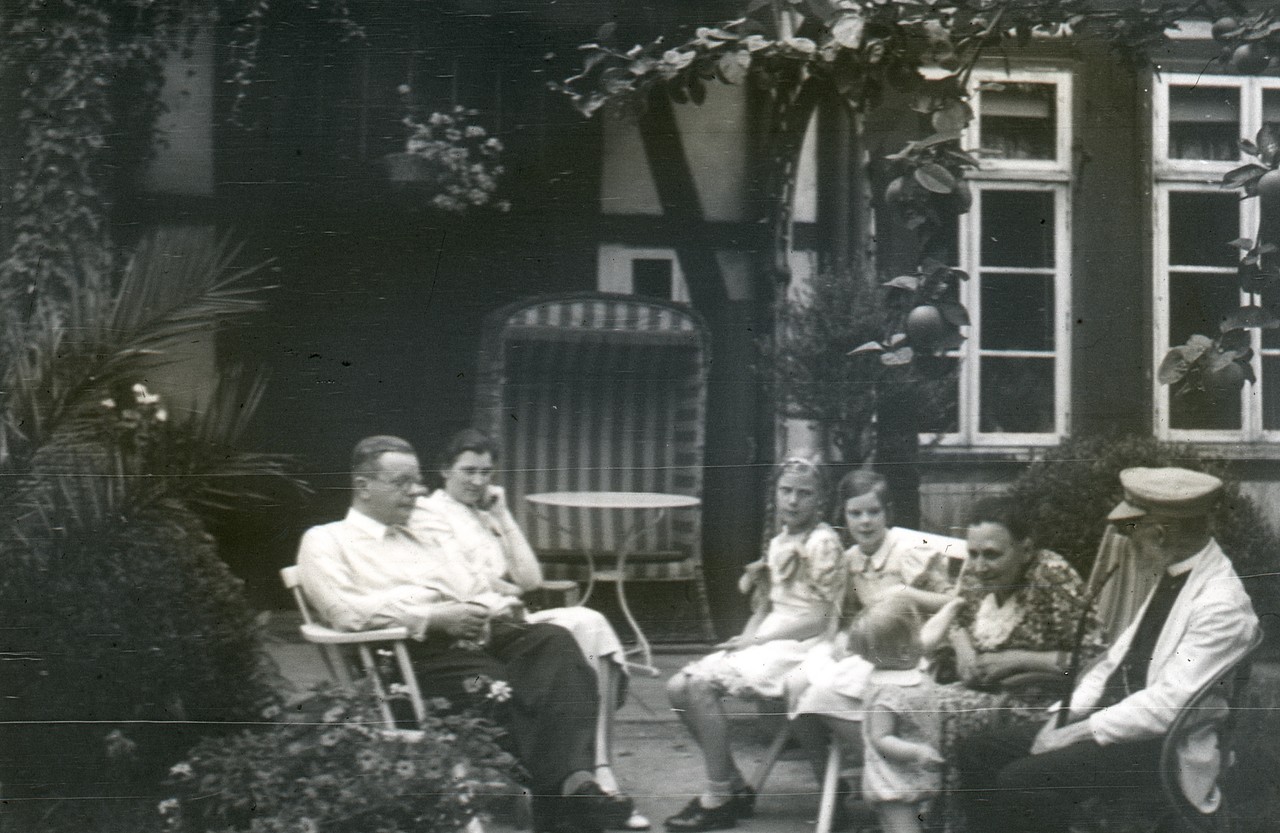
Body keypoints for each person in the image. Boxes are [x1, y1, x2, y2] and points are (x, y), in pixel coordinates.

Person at [296, 435, 623, 833]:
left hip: (479, 635)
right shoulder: (326, 540)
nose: (415, 491)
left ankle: (571, 788)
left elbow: (475, 588)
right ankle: (569, 798)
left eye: (416, 481)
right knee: (504, 689)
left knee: (556, 645)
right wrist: (431, 617)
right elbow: (344, 612)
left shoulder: (423, 536)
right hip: (409, 656)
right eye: (401, 482)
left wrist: (481, 607)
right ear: (363, 486)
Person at [957, 467, 1260, 833]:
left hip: (1160, 747)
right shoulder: (1175, 574)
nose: (1129, 548)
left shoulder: (1220, 605)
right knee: (979, 750)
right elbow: (1111, 664)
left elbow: (1167, 706)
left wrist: (1077, 732)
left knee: (1025, 780)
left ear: (1160, 535)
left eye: (1133, 538)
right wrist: (1064, 716)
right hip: (1121, 723)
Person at [410, 428, 645, 830]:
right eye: (469, 470)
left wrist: (502, 516)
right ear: (444, 469)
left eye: (487, 472)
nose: (479, 481)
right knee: (578, 630)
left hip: (510, 616)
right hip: (489, 621)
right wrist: (500, 588)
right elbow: (462, 586)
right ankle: (585, 774)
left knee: (590, 625)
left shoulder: (485, 515)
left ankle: (595, 767)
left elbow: (531, 579)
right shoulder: (429, 515)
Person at [663, 457, 846, 832]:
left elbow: (819, 619)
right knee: (677, 687)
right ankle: (731, 782)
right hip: (771, 639)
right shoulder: (780, 540)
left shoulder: (823, 541)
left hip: (806, 645)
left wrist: (758, 640)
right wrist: (746, 640)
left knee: (697, 686)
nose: (793, 501)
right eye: (786, 491)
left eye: (804, 493)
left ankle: (717, 799)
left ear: (821, 499)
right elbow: (766, 604)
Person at [783, 469, 959, 825]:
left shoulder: (909, 551)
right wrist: (842, 641)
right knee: (799, 686)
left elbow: (954, 600)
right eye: (855, 513)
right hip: (876, 654)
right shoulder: (850, 560)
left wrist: (907, 594)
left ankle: (885, 766)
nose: (865, 522)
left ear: (887, 513)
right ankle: (837, 786)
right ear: (844, 517)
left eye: (873, 512)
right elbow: (847, 616)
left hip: (914, 653)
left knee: (820, 696)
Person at [928, 496, 1102, 831]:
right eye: (974, 553)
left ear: (1025, 549)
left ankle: (961, 824)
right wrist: (963, 648)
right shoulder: (976, 574)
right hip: (986, 693)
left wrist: (1017, 660)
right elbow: (957, 616)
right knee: (919, 703)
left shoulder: (1051, 576)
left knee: (944, 710)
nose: (979, 566)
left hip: (1043, 702)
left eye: (992, 554)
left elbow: (1096, 659)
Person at [856, 597, 947, 833]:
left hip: (912, 776)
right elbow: (881, 738)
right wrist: (916, 752)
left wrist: (953, 606)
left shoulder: (909, 665)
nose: (923, 639)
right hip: (892, 782)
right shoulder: (886, 691)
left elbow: (933, 635)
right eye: (917, 633)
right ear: (905, 651)